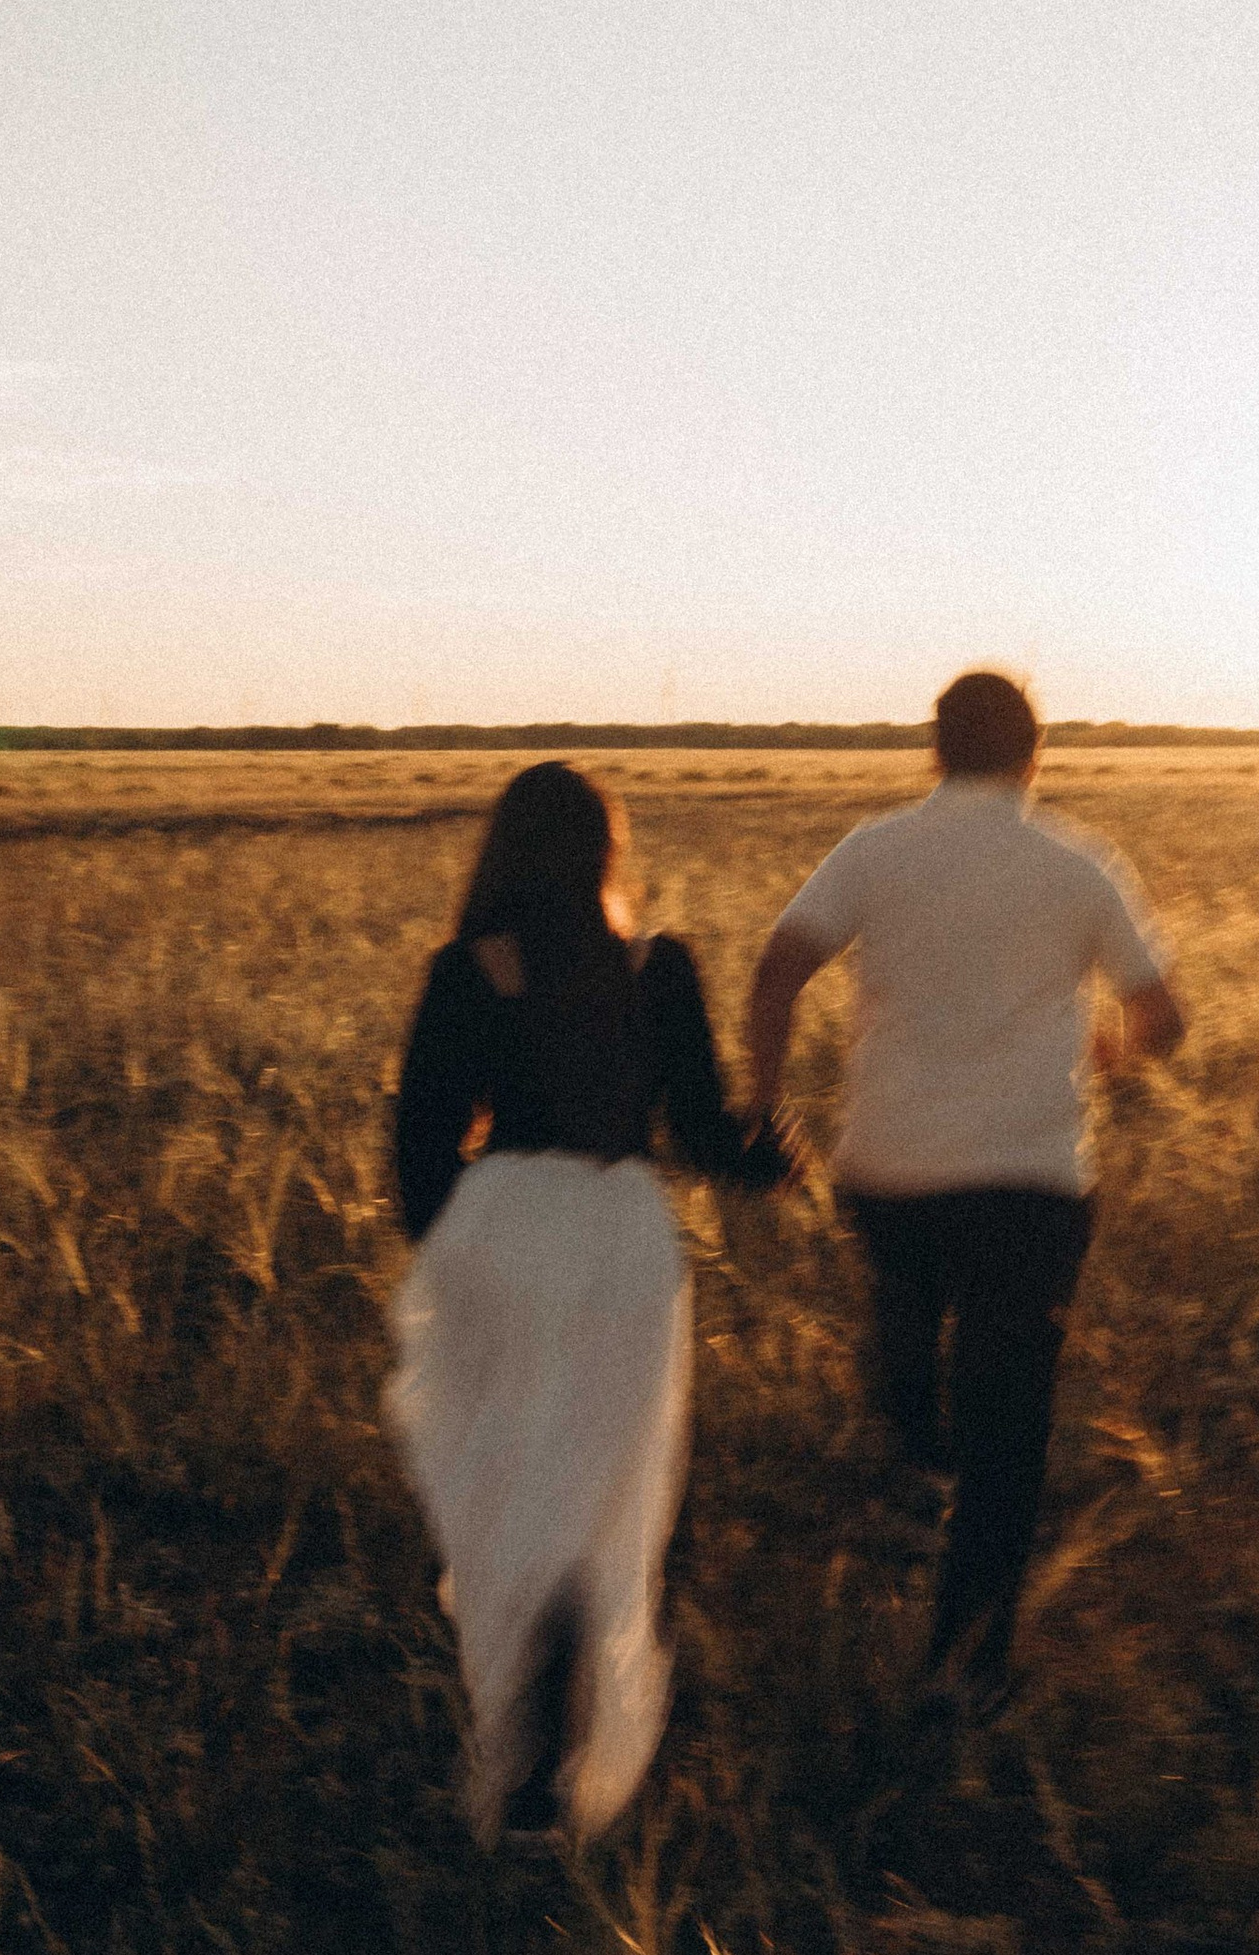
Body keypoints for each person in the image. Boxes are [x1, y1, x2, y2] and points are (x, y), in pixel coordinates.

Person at [744, 671, 1184, 1710]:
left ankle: (910, 1421)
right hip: (1029, 1187)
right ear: (1037, 757)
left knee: (909, 1352)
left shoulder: (874, 848)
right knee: (1007, 1431)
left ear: (931, 752)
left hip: (886, 1177)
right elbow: (1163, 1017)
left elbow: (776, 969)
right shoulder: (1079, 863)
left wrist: (764, 1109)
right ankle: (967, 1660)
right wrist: (1104, 1057)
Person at [388, 762, 791, 1844]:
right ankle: (563, 1764)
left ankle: (518, 1750)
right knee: (602, 1496)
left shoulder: (471, 969)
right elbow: (702, 1134)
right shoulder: (658, 970)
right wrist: (769, 1157)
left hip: (505, 1231)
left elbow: (416, 1149)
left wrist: (456, 1256)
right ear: (610, 852)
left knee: (511, 1483)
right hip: (622, 1247)